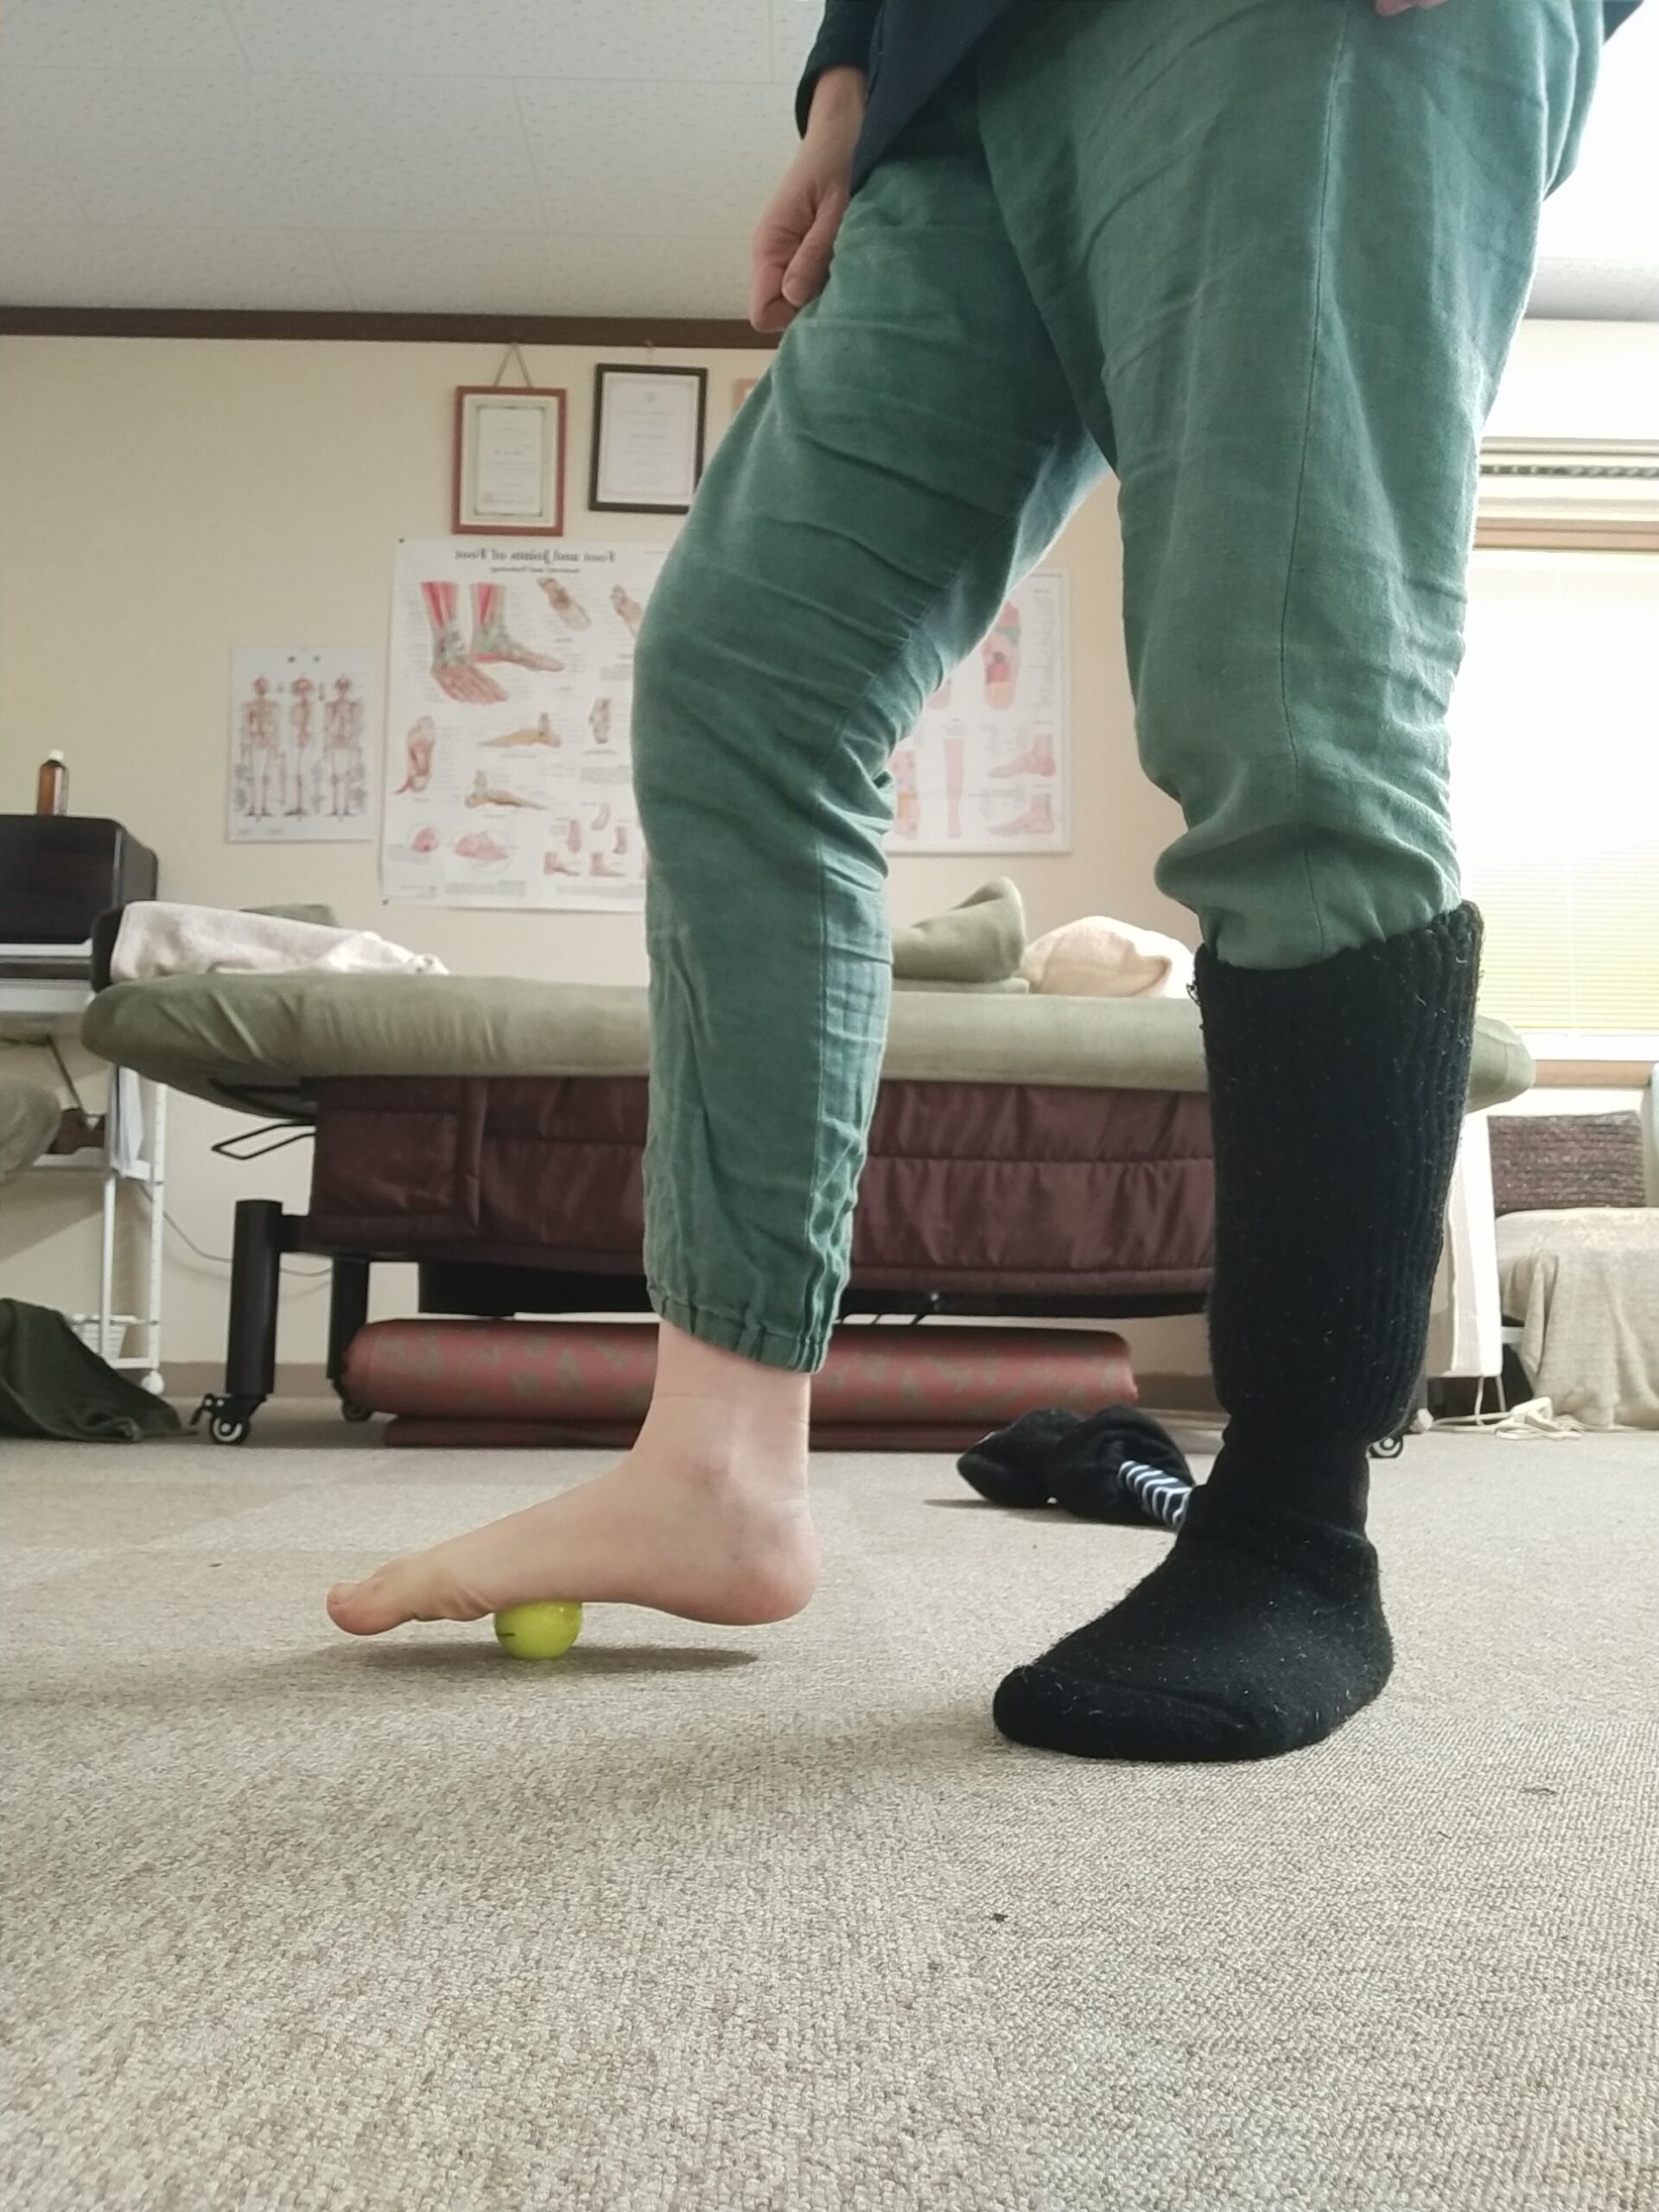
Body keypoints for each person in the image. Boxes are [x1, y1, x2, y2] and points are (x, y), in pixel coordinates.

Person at [327, 0, 1630, 1762]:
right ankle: (717, 1463)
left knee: (1284, 699)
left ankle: (1296, 1530)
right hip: (964, 69)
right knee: (744, 683)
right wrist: (853, 65)